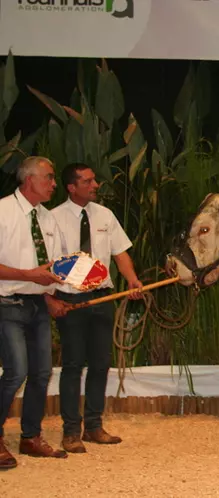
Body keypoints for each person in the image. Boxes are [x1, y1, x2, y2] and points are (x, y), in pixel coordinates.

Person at [51, 163, 143, 454]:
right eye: (88, 182)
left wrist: (132, 280)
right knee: (73, 365)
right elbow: (46, 266)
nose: (95, 185)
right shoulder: (52, 219)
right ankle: (70, 432)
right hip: (71, 300)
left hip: (103, 297)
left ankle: (93, 426)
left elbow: (120, 253)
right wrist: (51, 299)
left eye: (95, 180)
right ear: (71, 187)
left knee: (101, 364)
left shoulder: (105, 216)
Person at [0, 156, 73, 470]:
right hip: (6, 304)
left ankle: (30, 437)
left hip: (36, 306)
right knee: (16, 371)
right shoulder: (2, 211)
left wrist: (51, 296)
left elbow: (52, 268)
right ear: (29, 179)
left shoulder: (47, 219)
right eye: (50, 177)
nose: (54, 184)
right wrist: (29, 275)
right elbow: (33, 271)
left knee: (41, 373)